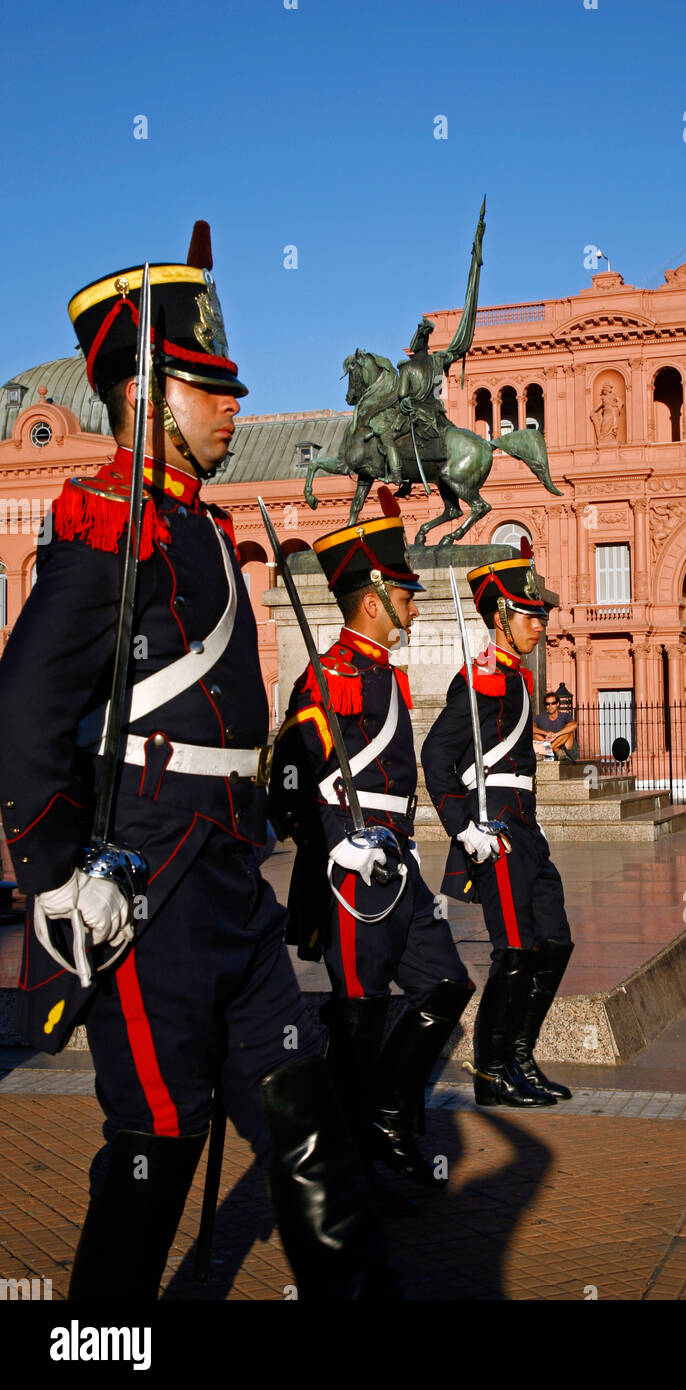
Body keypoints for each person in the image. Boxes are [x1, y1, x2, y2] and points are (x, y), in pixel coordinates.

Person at [0, 224, 386, 1300]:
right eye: (208, 389)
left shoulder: (207, 531)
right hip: (154, 880)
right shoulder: (104, 533)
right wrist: (57, 876)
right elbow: (23, 708)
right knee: (158, 1134)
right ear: (144, 395)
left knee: (301, 1102)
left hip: (230, 877)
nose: (232, 407)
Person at [268, 497, 474, 1191]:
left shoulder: (381, 671)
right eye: (406, 597)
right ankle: (349, 1160)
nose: (414, 610)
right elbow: (291, 777)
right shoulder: (332, 676)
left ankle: (381, 1120)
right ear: (376, 599)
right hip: (351, 872)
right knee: (357, 1015)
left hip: (396, 863)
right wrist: (334, 844)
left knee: (445, 983)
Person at [421, 544, 573, 1108]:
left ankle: (520, 1057)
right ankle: (491, 1069)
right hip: (497, 831)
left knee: (553, 942)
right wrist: (464, 828)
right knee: (514, 948)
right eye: (529, 615)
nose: (539, 625)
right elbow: (438, 755)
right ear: (500, 619)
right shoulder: (484, 678)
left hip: (525, 827)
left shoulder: (513, 679)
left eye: (541, 615)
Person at [533, 692, 579, 762]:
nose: (550, 706)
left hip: (565, 749)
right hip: (552, 748)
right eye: (547, 704)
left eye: (553, 703)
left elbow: (574, 725)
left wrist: (556, 735)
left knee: (569, 732)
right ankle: (554, 749)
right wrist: (546, 733)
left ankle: (548, 750)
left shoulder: (565, 716)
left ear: (557, 704)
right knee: (533, 733)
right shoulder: (540, 717)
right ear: (545, 706)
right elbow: (531, 728)